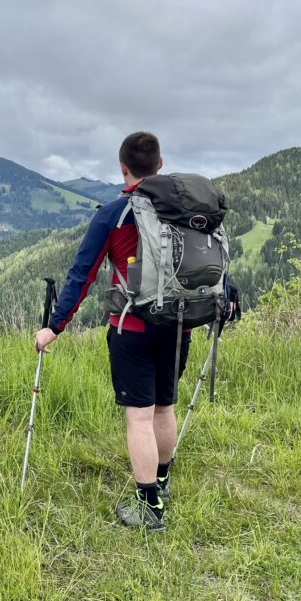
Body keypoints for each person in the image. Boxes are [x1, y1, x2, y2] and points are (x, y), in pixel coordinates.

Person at [35, 132, 234, 532]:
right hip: (180, 323)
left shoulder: (112, 214)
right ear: (161, 165)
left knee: (139, 417)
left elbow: (82, 276)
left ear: (122, 168)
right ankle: (161, 481)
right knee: (165, 406)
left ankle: (149, 508)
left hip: (132, 326)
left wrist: (54, 327)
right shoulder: (185, 209)